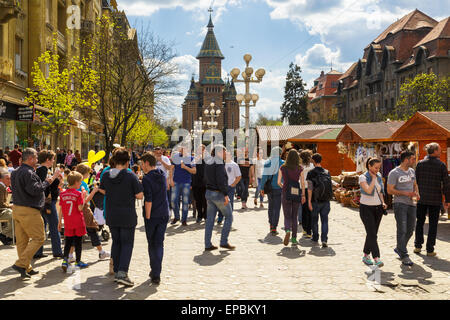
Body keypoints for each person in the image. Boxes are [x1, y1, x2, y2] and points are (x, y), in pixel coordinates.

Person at [10, 148, 60, 279]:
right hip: (29, 210)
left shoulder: (15, 172)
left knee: (22, 241)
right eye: (36, 158)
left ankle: (26, 267)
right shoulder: (28, 173)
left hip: (17, 209)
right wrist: (47, 182)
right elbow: (35, 190)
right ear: (31, 159)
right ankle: (21, 264)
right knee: (39, 238)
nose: (37, 160)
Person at [99, 147, 143, 287]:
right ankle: (122, 273)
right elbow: (139, 196)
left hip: (112, 214)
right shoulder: (130, 176)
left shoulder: (106, 175)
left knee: (116, 242)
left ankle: (117, 269)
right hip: (127, 215)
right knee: (127, 243)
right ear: (127, 161)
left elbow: (103, 190)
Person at [414, 143, 450, 257]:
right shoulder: (441, 165)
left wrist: (415, 195)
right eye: (439, 150)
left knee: (419, 222)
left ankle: (417, 246)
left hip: (421, 198)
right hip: (435, 199)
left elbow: (416, 182)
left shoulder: (420, 164)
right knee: (433, 224)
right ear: (434, 151)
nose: (441, 151)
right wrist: (447, 200)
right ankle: (430, 249)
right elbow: (446, 184)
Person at [141, 153, 170, 285]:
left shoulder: (147, 179)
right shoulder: (161, 174)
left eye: (142, 163)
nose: (141, 166)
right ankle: (156, 271)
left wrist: (147, 217)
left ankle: (156, 272)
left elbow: (149, 200)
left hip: (152, 215)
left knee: (152, 244)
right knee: (159, 243)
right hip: (164, 212)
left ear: (147, 163)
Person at [71, 164, 110, 262]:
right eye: (88, 173)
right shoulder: (82, 184)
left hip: (74, 211)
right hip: (84, 210)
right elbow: (85, 200)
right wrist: (94, 191)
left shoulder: (74, 183)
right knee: (92, 229)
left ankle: (70, 254)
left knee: (75, 233)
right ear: (84, 174)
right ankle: (101, 252)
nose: (89, 174)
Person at [387, 150, 419, 266]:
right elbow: (390, 190)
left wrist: (417, 193)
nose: (414, 160)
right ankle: (404, 254)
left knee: (410, 230)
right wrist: (405, 193)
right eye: (412, 158)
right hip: (400, 204)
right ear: (406, 159)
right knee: (402, 229)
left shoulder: (411, 171)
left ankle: (399, 247)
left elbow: (415, 185)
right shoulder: (394, 173)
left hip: (411, 204)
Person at [204, 145, 235, 251]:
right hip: (218, 194)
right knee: (229, 217)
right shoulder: (219, 162)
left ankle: (207, 244)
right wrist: (225, 194)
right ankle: (223, 241)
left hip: (209, 192)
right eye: (224, 152)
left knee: (210, 220)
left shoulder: (209, 162)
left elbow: (205, 178)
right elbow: (221, 180)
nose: (226, 154)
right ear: (219, 152)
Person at [34, 150, 64, 259]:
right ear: (47, 160)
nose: (53, 161)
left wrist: (58, 180)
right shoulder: (43, 170)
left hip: (44, 202)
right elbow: (44, 185)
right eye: (52, 159)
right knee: (54, 226)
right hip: (48, 202)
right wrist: (56, 176)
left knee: (42, 226)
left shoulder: (42, 170)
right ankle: (57, 251)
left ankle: (38, 252)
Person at [359, 157, 387, 268]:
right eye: (375, 167)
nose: (377, 169)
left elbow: (380, 192)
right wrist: (373, 179)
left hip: (378, 208)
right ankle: (377, 258)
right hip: (366, 208)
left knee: (372, 233)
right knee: (372, 234)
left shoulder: (379, 176)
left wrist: (383, 202)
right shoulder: (362, 177)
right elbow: (368, 190)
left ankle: (366, 255)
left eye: (379, 167)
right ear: (369, 166)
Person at [58, 171, 89, 271]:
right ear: (76, 182)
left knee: (68, 242)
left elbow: (61, 209)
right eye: (80, 182)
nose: (80, 184)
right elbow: (80, 208)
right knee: (78, 242)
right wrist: (83, 196)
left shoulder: (62, 194)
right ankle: (78, 261)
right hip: (78, 221)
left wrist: (59, 222)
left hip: (68, 222)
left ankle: (65, 260)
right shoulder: (78, 193)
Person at [278, 149, 305, 246]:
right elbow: (302, 183)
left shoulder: (282, 167)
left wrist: (284, 187)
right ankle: (294, 238)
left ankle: (287, 231)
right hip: (296, 193)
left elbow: (278, 182)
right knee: (294, 216)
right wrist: (303, 195)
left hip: (286, 193)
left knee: (287, 215)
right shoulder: (300, 168)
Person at [306, 153, 333, 248]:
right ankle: (324, 239)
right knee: (325, 220)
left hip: (315, 200)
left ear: (313, 161)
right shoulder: (327, 172)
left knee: (314, 219)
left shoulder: (311, 173)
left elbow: (310, 188)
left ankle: (315, 237)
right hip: (326, 200)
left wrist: (309, 201)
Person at [169, 145, 196, 226]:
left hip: (186, 183)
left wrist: (185, 167)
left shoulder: (191, 158)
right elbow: (171, 169)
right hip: (176, 182)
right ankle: (177, 217)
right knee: (173, 201)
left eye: (184, 148)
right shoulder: (175, 157)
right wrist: (171, 180)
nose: (181, 150)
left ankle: (184, 220)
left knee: (185, 202)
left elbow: (194, 171)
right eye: (181, 148)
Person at [260, 147, 284, 235]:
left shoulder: (267, 163)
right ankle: (274, 227)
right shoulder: (283, 163)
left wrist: (261, 188)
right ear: (280, 154)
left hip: (269, 188)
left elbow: (264, 177)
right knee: (277, 208)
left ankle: (271, 224)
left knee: (271, 206)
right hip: (279, 188)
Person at [217, 150, 242, 225]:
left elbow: (239, 176)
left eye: (227, 154)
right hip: (222, 187)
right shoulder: (220, 164)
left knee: (229, 203)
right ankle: (220, 217)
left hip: (230, 187)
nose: (226, 156)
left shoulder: (234, 165)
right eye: (225, 154)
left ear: (230, 155)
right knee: (221, 203)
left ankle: (229, 218)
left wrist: (233, 184)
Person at [154, 147, 173, 218]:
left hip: (164, 180)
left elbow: (169, 168)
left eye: (160, 153)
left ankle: (169, 211)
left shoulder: (165, 158)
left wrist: (161, 161)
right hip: (155, 181)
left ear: (162, 152)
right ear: (154, 153)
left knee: (166, 197)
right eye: (157, 153)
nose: (158, 154)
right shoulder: (152, 159)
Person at [300, 150, 314, 238]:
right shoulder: (312, 166)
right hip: (311, 189)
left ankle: (305, 229)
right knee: (310, 209)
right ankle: (309, 230)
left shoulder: (299, 167)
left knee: (303, 209)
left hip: (302, 188)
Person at [192, 145, 207, 223]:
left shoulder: (208, 160)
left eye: (201, 150)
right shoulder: (194, 159)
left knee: (205, 201)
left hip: (205, 184)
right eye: (198, 150)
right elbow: (192, 171)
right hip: (196, 183)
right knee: (198, 201)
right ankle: (199, 216)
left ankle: (205, 215)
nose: (200, 151)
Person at [0, 171, 14, 245]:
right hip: (1, 211)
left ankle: (9, 236)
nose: (10, 180)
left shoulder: (4, 187)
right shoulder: (1, 187)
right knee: (14, 215)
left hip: (3, 210)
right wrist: (11, 206)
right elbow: (1, 204)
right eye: (8, 179)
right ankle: (3, 234)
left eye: (10, 179)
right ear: (1, 180)